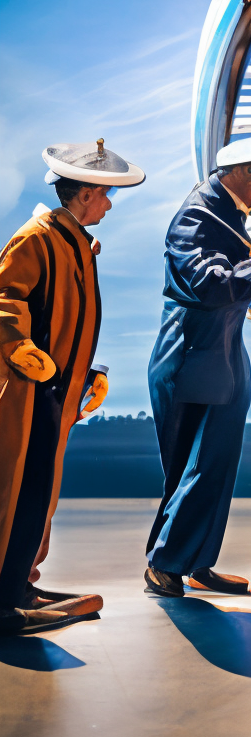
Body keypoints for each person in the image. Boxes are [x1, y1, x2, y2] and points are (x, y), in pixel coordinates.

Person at [145, 135, 251, 598]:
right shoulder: (196, 217)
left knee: (212, 465)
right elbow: (212, 287)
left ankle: (194, 563)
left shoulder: (223, 211)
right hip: (194, 355)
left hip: (219, 354)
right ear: (243, 173)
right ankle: (166, 565)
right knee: (199, 465)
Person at [0, 139, 144, 634]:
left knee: (39, 494)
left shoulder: (76, 245)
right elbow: (5, 299)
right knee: (16, 492)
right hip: (24, 394)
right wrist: (17, 348)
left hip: (53, 393)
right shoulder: (36, 237)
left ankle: (18, 585)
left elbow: (67, 323)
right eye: (105, 196)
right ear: (84, 193)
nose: (107, 205)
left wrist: (90, 372)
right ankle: (2, 602)